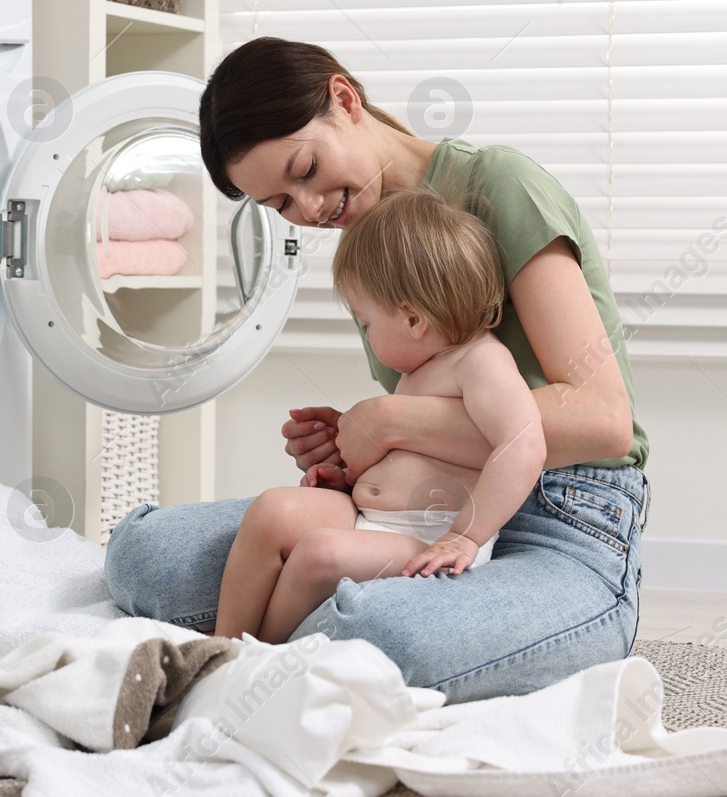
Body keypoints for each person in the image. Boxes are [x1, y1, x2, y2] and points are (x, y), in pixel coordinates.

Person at [104, 37, 651, 703]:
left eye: (305, 168)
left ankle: (266, 672)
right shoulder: (371, 235)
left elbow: (603, 422)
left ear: (344, 99)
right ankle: (278, 656)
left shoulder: (499, 187)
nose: (307, 208)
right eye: (280, 203)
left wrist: (389, 419)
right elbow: (446, 417)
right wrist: (356, 453)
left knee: (379, 636)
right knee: (145, 557)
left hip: (563, 519)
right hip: (422, 515)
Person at [213, 190, 546, 643]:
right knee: (272, 510)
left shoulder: (480, 363)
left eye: (366, 322)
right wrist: (348, 479)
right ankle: (223, 645)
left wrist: (465, 537)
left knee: (319, 552)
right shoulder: (421, 371)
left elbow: (523, 443)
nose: (366, 337)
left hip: (429, 538)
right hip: (371, 519)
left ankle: (259, 659)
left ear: (413, 320)